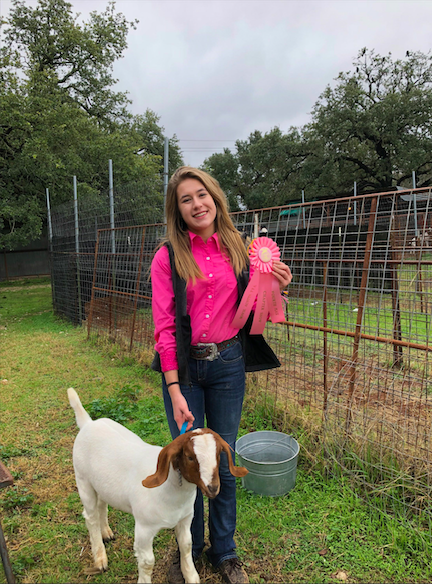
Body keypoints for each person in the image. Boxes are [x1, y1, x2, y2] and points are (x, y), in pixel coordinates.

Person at [150, 167, 292, 584]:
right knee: (189, 462)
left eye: (202, 194)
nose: (197, 204)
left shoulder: (239, 249)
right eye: (186, 199)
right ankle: (188, 551)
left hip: (229, 365)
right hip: (186, 371)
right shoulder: (168, 256)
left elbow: (259, 307)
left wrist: (279, 287)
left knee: (224, 461)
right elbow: (164, 328)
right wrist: (174, 387)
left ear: (215, 197)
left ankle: (225, 552)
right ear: (176, 210)